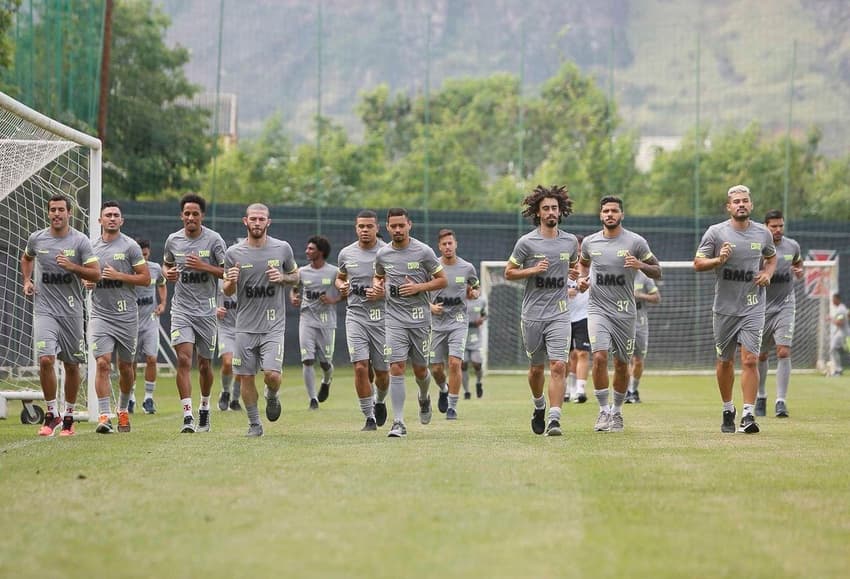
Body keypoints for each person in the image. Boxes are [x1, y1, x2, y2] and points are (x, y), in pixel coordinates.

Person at [694, 185, 776, 434]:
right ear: (728, 207)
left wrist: (767, 273)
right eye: (736, 201)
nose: (741, 204)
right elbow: (698, 263)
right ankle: (728, 408)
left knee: (750, 360)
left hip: (753, 307)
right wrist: (718, 260)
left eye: (745, 201)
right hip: (725, 309)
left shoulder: (763, 234)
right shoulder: (716, 233)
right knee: (724, 361)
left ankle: (748, 415)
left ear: (751, 206)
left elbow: (771, 258)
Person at [578, 195, 662, 433]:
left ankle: (617, 412)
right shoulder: (590, 243)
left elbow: (658, 271)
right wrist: (584, 281)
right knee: (600, 357)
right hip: (598, 309)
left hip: (625, 313)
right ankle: (603, 411)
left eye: (614, 211)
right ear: (600, 215)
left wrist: (640, 265)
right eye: (606, 211)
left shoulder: (636, 242)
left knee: (622, 364)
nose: (610, 215)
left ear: (622, 215)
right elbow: (584, 265)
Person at [21, 194, 101, 437]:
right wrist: (26, 281)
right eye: (52, 209)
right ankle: (50, 413)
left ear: (69, 213)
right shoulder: (37, 238)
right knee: (46, 360)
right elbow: (26, 258)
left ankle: (68, 416)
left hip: (72, 312)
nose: (56, 214)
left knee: (72, 364)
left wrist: (73, 267)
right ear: (48, 213)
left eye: (61, 210)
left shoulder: (80, 241)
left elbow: (96, 274)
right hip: (45, 309)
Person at [505, 185, 579, 437]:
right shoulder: (526, 243)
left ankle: (554, 419)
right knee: (537, 368)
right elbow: (509, 272)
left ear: (560, 212)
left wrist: (576, 277)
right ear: (538, 212)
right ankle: (539, 406)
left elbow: (574, 267)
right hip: (533, 314)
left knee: (558, 365)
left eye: (554, 208)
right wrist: (532, 270)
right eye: (546, 208)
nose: (550, 212)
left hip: (559, 312)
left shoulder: (570, 241)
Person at [223, 203, 298, 436]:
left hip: (273, 324)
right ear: (245, 221)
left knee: (272, 376)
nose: (257, 223)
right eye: (253, 219)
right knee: (245, 376)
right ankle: (255, 424)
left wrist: (282, 278)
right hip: (244, 325)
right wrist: (231, 280)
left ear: (268, 222)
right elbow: (226, 290)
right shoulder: (233, 253)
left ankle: (272, 395)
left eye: (261, 219)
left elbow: (295, 276)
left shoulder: (282, 248)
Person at [373, 207, 447, 438]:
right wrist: (377, 284)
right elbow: (379, 275)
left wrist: (418, 287)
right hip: (394, 319)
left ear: (409, 225)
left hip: (420, 320)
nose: (397, 229)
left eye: (401, 225)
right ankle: (398, 422)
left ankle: (424, 398)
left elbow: (443, 280)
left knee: (420, 370)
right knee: (395, 367)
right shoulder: (382, 254)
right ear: (387, 227)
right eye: (393, 226)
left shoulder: (423, 251)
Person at [162, 193, 227, 433]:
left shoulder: (214, 240)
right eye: (187, 213)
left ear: (202, 216)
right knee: (183, 359)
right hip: (182, 310)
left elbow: (227, 271)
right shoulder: (173, 240)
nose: (191, 217)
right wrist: (167, 273)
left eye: (195, 214)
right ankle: (187, 415)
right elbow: (167, 264)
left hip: (207, 311)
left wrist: (204, 267)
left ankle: (205, 408)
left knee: (204, 365)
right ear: (181, 216)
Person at [84, 202, 150, 434]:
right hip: (101, 315)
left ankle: (122, 410)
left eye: (116, 215)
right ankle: (104, 416)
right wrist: (88, 281)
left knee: (125, 367)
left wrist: (119, 275)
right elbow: (87, 276)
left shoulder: (130, 246)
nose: (112, 218)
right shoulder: (90, 248)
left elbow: (145, 279)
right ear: (99, 220)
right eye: (108, 215)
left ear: (122, 221)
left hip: (127, 316)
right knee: (102, 363)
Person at [336, 210, 390, 431]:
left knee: (382, 374)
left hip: (384, 319)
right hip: (356, 316)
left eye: (369, 226)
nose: (365, 230)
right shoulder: (346, 254)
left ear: (377, 228)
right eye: (361, 226)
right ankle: (369, 417)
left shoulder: (388, 253)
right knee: (360, 367)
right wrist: (342, 287)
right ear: (356, 228)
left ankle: (379, 401)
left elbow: (399, 287)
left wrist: (382, 292)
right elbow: (339, 279)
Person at [429, 229, 480, 420]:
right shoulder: (431, 267)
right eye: (444, 244)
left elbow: (475, 287)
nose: (448, 247)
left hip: (458, 321)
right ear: (439, 247)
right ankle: (443, 388)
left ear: (456, 244)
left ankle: (452, 406)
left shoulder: (467, 267)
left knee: (454, 362)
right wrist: (430, 307)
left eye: (450, 243)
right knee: (435, 368)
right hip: (436, 323)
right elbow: (419, 293)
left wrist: (475, 293)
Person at [756, 210, 803, 417]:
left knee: (783, 351)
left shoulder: (792, 246)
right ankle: (761, 396)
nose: (778, 230)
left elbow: (798, 263)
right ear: (765, 226)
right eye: (773, 226)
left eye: (780, 226)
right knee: (761, 355)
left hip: (785, 304)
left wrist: (799, 271)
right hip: (761, 307)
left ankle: (781, 401)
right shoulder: (757, 248)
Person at [289, 236, 341, 409]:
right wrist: (294, 298)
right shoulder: (302, 272)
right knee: (307, 360)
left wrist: (333, 300)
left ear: (321, 252)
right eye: (307, 248)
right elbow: (294, 289)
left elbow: (346, 292)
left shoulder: (334, 272)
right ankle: (313, 399)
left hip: (326, 322)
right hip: (307, 320)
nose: (307, 251)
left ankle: (327, 380)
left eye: (311, 249)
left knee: (325, 362)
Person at [133, 239, 167, 415]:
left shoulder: (154, 268)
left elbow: (162, 284)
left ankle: (148, 398)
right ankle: (129, 397)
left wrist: (162, 303)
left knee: (152, 359)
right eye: (140, 255)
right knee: (128, 362)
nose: (143, 259)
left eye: (145, 255)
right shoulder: (127, 268)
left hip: (150, 321)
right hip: (130, 322)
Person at [626, 270, 661, 403]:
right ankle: (625, 390)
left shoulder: (644, 277)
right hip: (622, 322)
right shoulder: (618, 272)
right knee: (624, 359)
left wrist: (640, 295)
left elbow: (657, 297)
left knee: (638, 359)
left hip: (640, 323)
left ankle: (633, 390)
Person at [566, 234, 590, 405]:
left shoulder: (593, 267)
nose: (580, 253)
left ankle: (581, 390)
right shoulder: (562, 267)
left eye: (582, 250)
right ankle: (569, 388)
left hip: (584, 315)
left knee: (582, 352)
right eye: (577, 250)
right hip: (563, 316)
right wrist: (566, 292)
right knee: (567, 356)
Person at [216, 281, 241, 411]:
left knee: (242, 366)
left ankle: (235, 400)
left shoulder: (247, 278)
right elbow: (204, 298)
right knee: (228, 362)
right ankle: (225, 392)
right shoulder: (219, 281)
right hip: (225, 329)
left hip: (244, 329)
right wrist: (215, 309)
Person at [462, 285, 487, 400]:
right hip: (462, 335)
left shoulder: (481, 301)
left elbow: (484, 315)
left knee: (477, 363)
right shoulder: (461, 300)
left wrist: (481, 319)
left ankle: (479, 382)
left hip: (475, 336)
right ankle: (466, 391)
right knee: (463, 364)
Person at [828, 293, 848, 377]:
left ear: (837, 299)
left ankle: (838, 370)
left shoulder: (840, 309)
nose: (832, 301)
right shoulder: (841, 308)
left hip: (842, 334)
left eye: (833, 299)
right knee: (836, 350)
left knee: (833, 349)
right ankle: (838, 370)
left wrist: (831, 319)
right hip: (841, 333)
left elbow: (840, 322)